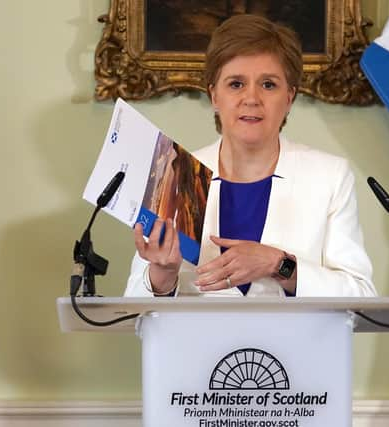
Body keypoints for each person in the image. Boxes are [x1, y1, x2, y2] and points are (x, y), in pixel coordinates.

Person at [124, 14, 376, 297]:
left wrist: (278, 265)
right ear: (214, 96)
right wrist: (162, 274)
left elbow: (362, 295)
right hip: (195, 341)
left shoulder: (329, 176)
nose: (252, 98)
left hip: (296, 342)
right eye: (236, 84)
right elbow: (134, 309)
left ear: (289, 97)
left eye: (268, 84)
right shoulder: (175, 172)